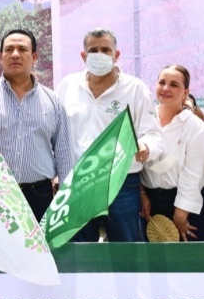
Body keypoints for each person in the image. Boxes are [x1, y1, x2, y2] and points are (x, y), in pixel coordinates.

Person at [56, 28, 162, 242]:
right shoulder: (68, 85)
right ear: (83, 56)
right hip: (78, 183)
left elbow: (154, 135)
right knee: (79, 251)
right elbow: (56, 133)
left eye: (106, 49)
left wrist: (145, 147)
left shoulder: (136, 89)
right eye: (93, 50)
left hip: (121, 184)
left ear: (117, 55)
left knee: (126, 251)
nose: (100, 54)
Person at [0, 29, 75, 220]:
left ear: (34, 56)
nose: (15, 55)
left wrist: (66, 195)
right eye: (9, 49)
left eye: (22, 49)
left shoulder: (53, 101)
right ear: (0, 57)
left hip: (40, 195)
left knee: (41, 250)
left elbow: (64, 153)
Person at [140, 65, 204, 241]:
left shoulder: (195, 127)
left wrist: (180, 216)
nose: (166, 88)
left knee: (188, 264)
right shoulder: (144, 120)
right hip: (149, 204)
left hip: (187, 209)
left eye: (174, 85)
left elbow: (193, 175)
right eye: (162, 82)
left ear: (186, 92)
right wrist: (142, 195)